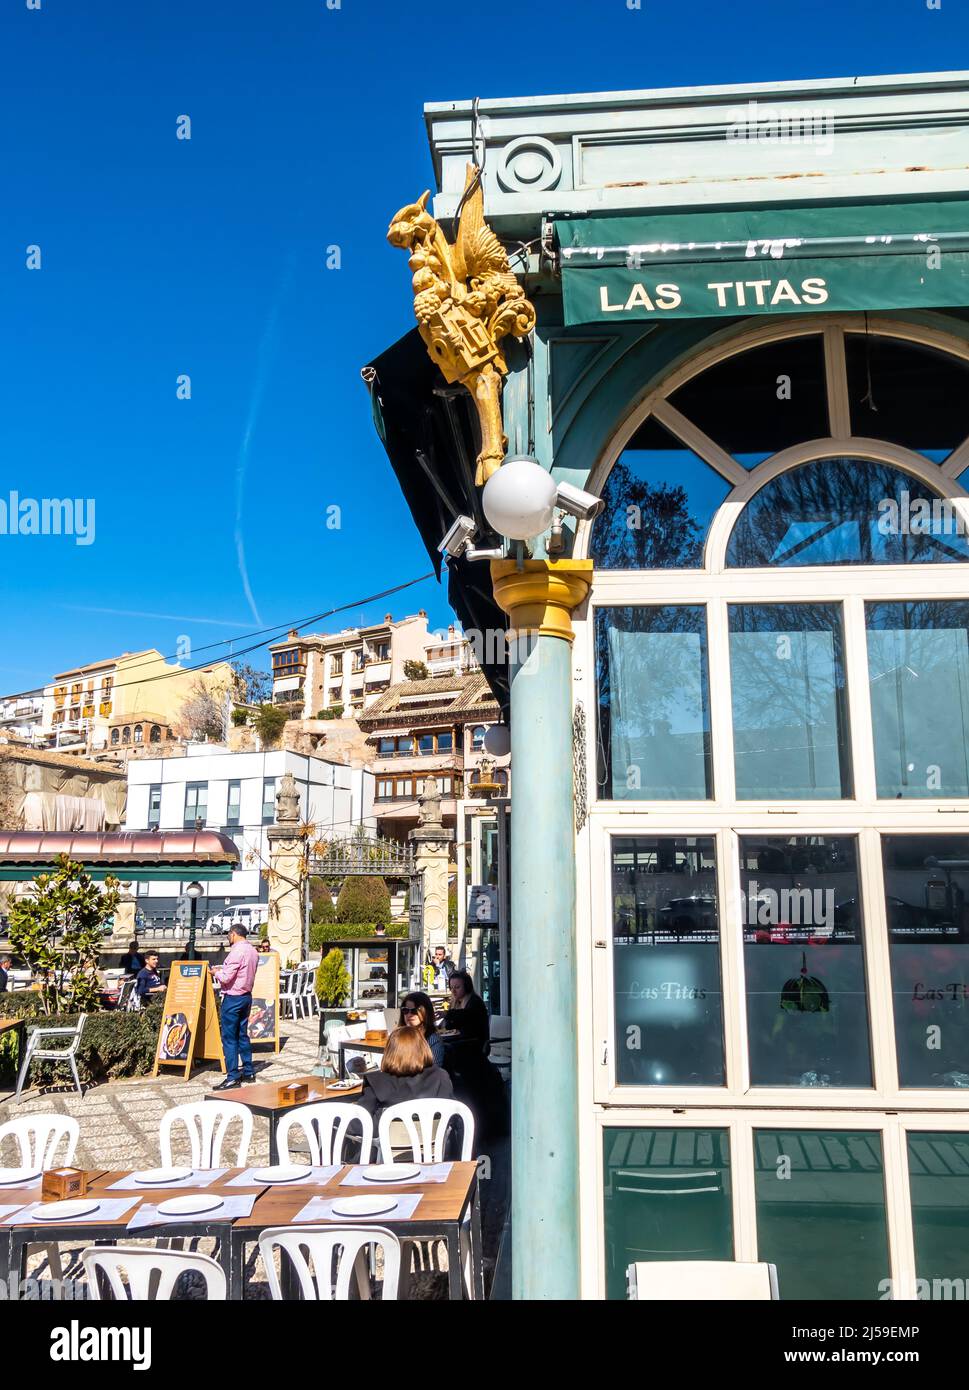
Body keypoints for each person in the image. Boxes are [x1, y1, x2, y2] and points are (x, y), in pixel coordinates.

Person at [355, 1025, 453, 1127]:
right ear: (423, 1048)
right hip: (434, 1141)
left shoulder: (375, 1081)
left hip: (389, 1141)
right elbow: (454, 1114)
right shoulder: (441, 1076)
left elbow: (359, 1123)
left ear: (389, 1051)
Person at [211, 924, 259, 1090]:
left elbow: (226, 977)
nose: (227, 938)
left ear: (233, 934)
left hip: (233, 997)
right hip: (246, 996)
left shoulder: (236, 951)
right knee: (242, 1034)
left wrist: (215, 972)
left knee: (230, 1038)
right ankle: (248, 1070)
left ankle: (232, 1076)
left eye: (228, 935)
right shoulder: (253, 951)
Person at [443, 969, 490, 1048]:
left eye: (457, 987)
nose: (453, 991)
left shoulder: (475, 1002)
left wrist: (447, 1014)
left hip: (475, 1044)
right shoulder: (456, 1002)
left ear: (467, 987)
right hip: (464, 1041)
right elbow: (450, 1026)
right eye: (451, 988)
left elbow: (466, 1015)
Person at [400, 990, 445, 1067]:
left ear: (425, 1012)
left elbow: (434, 1072)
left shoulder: (433, 1041)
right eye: (405, 1010)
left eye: (414, 1011)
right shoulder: (399, 1038)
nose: (409, 1014)